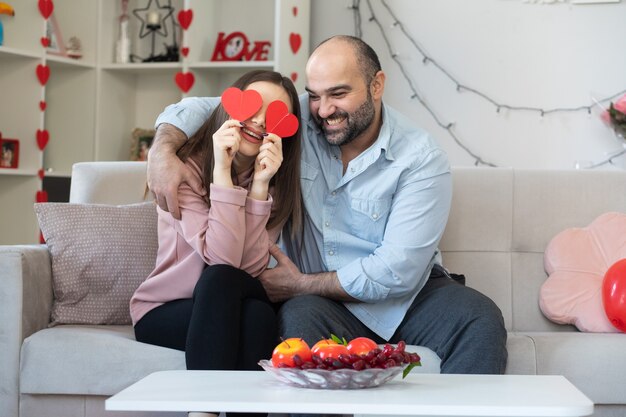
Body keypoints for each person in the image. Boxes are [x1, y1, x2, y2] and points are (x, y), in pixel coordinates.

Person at [148, 35, 508, 374]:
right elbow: (210, 108)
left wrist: (300, 284)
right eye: (315, 95)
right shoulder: (295, 119)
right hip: (321, 304)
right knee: (293, 324)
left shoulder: (420, 158)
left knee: (481, 317)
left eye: (338, 93)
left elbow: (398, 270)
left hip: (408, 298)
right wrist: (162, 149)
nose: (323, 110)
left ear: (377, 85)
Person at [130, 69, 303, 417]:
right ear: (229, 107)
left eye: (273, 115)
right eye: (251, 106)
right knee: (234, 294)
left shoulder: (274, 179)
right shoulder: (184, 173)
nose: (257, 121)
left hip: (231, 297)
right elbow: (221, 260)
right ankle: (205, 411)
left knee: (256, 313)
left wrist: (258, 189)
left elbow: (249, 269)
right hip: (165, 308)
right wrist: (222, 175)